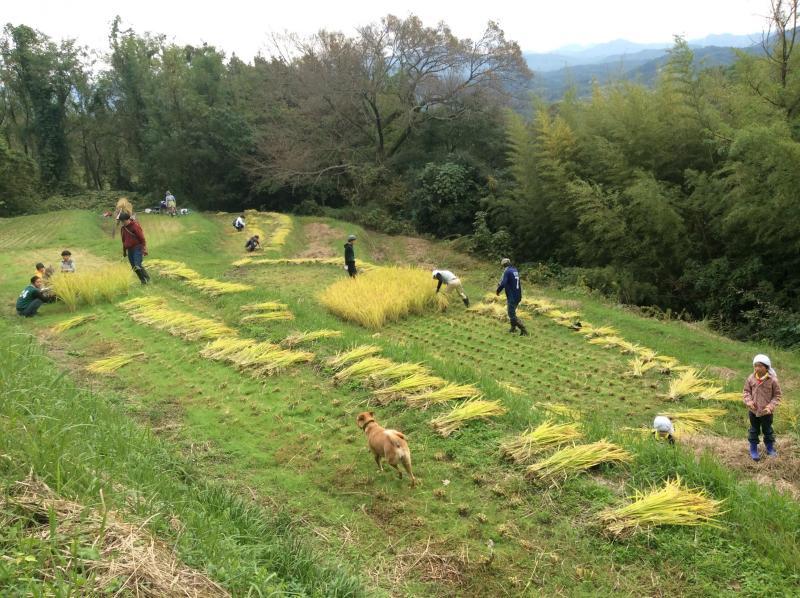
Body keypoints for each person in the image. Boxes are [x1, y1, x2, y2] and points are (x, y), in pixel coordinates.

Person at [743, 353, 782, 460]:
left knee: (768, 430)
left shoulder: (772, 380)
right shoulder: (751, 378)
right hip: (753, 411)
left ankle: (770, 448)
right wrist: (749, 402)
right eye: (755, 366)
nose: (757, 368)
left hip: (766, 412)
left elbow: (777, 396)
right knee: (754, 430)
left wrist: (770, 407)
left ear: (767, 367)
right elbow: (746, 392)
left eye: (760, 366)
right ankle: (753, 449)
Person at [496, 257, 528, 336]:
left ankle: (523, 330)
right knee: (512, 311)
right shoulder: (514, 270)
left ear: (503, 265)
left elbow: (503, 283)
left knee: (511, 314)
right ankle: (513, 328)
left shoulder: (507, 271)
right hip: (518, 295)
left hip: (512, 296)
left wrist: (498, 290)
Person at [119, 212, 150, 284]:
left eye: (123, 221)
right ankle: (143, 281)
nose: (122, 223)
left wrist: (144, 248)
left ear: (128, 219)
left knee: (137, 265)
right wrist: (124, 252)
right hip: (129, 250)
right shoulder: (123, 228)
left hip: (137, 247)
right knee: (134, 267)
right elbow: (123, 240)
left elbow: (142, 238)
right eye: (121, 221)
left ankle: (147, 278)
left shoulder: (135, 226)